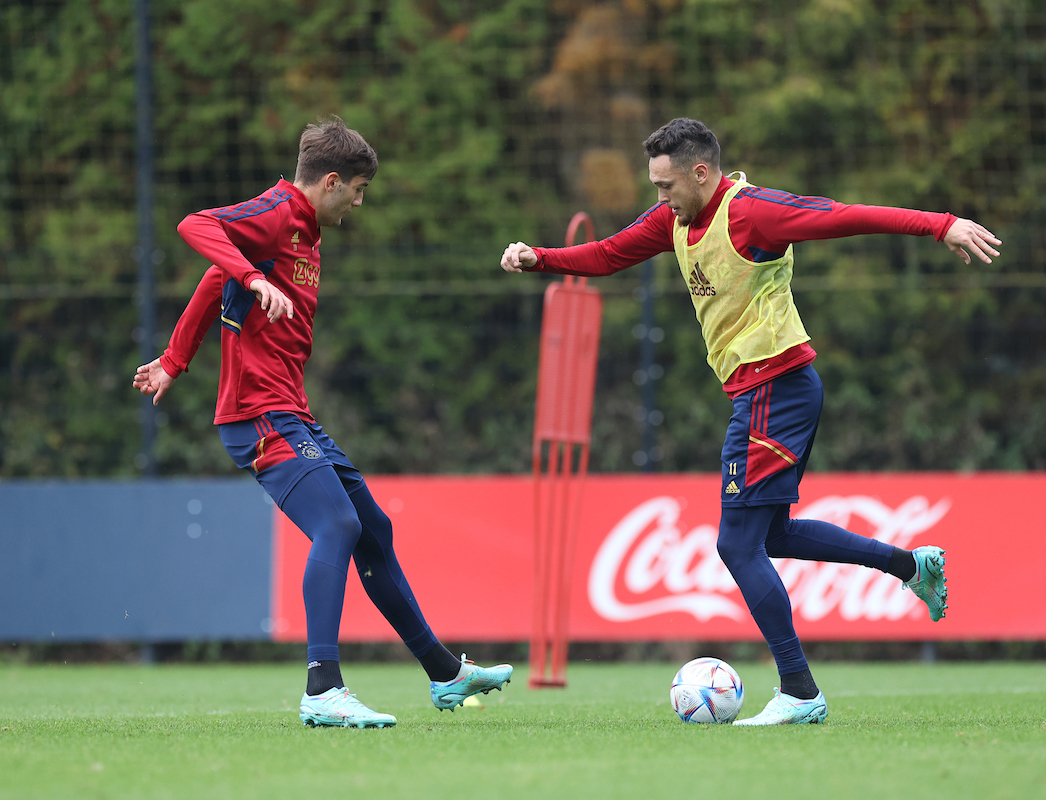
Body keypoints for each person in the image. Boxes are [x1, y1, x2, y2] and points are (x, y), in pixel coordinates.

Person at [500, 117, 1001, 726]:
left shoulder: (755, 213)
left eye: (666, 185)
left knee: (736, 545)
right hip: (762, 393)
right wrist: (540, 258)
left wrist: (940, 224)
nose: (659, 198)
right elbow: (608, 254)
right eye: (654, 186)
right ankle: (909, 566)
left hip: (776, 389)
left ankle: (799, 689)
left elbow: (845, 217)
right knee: (773, 537)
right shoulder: (672, 222)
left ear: (700, 173)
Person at [134, 116, 512, 728]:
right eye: (358, 191)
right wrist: (252, 280)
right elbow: (195, 226)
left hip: (292, 413)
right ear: (331, 181)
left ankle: (446, 675)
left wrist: (175, 362)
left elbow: (212, 279)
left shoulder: (305, 231)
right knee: (335, 526)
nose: (359, 204)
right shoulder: (278, 212)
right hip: (258, 417)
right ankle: (322, 689)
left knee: (372, 529)